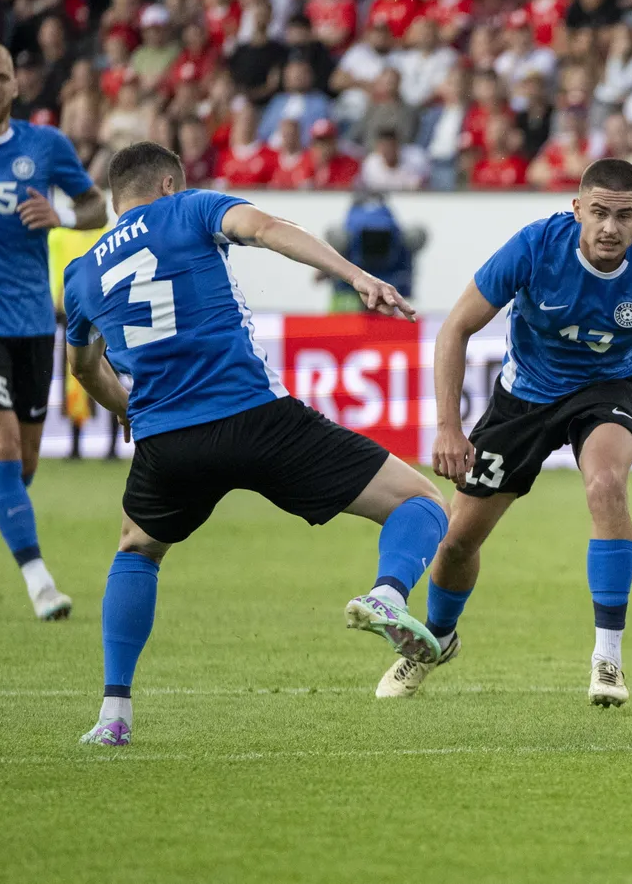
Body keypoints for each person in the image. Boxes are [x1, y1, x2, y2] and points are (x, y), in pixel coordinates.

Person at [64, 141, 453, 747]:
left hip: (168, 440)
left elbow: (85, 370)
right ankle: (386, 593)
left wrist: (127, 410)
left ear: (117, 200)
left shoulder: (83, 272)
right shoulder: (188, 208)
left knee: (136, 551)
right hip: (256, 418)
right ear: (169, 184)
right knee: (421, 500)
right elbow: (265, 228)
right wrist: (354, 275)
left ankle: (114, 716)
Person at [372, 158, 632, 706]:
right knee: (458, 541)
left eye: (625, 216)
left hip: (608, 390)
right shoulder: (535, 247)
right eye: (600, 213)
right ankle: (437, 638)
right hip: (525, 397)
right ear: (577, 209)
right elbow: (457, 328)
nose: (611, 228)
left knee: (606, 484)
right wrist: (448, 426)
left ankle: (607, 660)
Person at [0, 44, 108, 618]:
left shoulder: (45, 146)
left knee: (21, 469)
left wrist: (64, 219)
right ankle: (40, 582)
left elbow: (96, 206)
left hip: (32, 323)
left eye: (2, 78)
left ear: (16, 88)